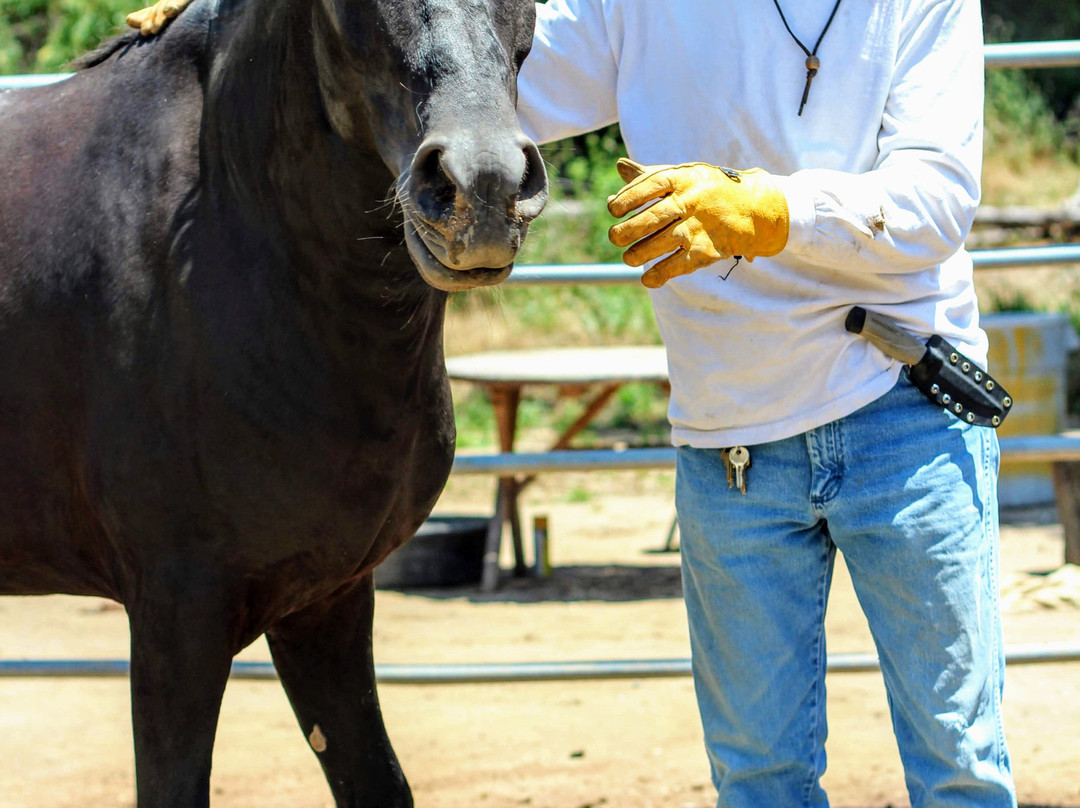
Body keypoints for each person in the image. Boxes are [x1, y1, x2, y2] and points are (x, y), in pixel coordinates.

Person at [125, 1, 1016, 805]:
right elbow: (459, 66)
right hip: (734, 441)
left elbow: (937, 197)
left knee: (958, 766)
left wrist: (765, 211)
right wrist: (254, 15)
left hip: (902, 409)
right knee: (759, 775)